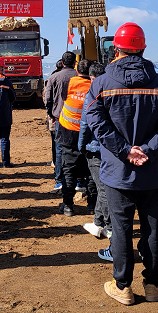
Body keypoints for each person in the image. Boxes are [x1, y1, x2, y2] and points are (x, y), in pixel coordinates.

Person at [86, 23, 158, 305]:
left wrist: (125, 151)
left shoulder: (101, 83)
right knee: (153, 229)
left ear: (116, 49)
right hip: (152, 171)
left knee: (121, 229)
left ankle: (123, 287)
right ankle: (153, 285)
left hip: (118, 172)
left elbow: (96, 123)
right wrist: (148, 150)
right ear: (143, 48)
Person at [56, 58, 95, 217]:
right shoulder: (96, 84)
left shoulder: (69, 82)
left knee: (69, 172)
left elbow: (64, 98)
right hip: (90, 135)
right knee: (92, 172)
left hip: (69, 133)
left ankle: (68, 206)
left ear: (77, 70)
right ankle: (92, 206)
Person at [79, 61, 110, 239]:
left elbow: (86, 123)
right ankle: (98, 221)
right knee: (103, 186)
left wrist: (81, 145)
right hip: (112, 148)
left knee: (103, 187)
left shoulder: (92, 93)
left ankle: (106, 225)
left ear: (92, 77)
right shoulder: (114, 91)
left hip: (95, 147)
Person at [45, 52, 77, 192]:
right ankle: (79, 181)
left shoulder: (53, 77)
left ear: (62, 63)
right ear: (75, 63)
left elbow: (48, 99)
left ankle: (59, 181)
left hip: (60, 119)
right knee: (78, 150)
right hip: (78, 119)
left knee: (59, 150)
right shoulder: (79, 76)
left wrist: (51, 114)